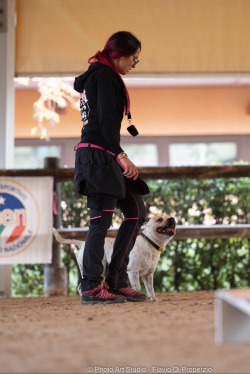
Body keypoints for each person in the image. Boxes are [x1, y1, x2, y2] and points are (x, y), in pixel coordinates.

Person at [73, 31, 149, 305]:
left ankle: (114, 282)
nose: (133, 65)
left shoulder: (100, 75)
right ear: (119, 55)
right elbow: (105, 122)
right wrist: (121, 154)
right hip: (99, 156)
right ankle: (92, 287)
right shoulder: (103, 76)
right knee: (100, 223)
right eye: (133, 59)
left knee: (135, 210)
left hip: (102, 155)